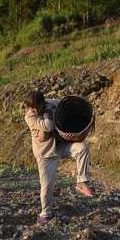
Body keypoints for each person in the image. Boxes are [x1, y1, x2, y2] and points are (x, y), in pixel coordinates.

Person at [24, 90, 95, 225]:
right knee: (46, 186)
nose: (33, 110)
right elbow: (48, 126)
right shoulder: (30, 117)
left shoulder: (51, 103)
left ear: (42, 103)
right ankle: (45, 212)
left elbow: (65, 104)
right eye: (30, 107)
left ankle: (82, 182)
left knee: (82, 148)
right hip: (45, 154)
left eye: (35, 107)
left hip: (61, 145)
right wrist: (47, 112)